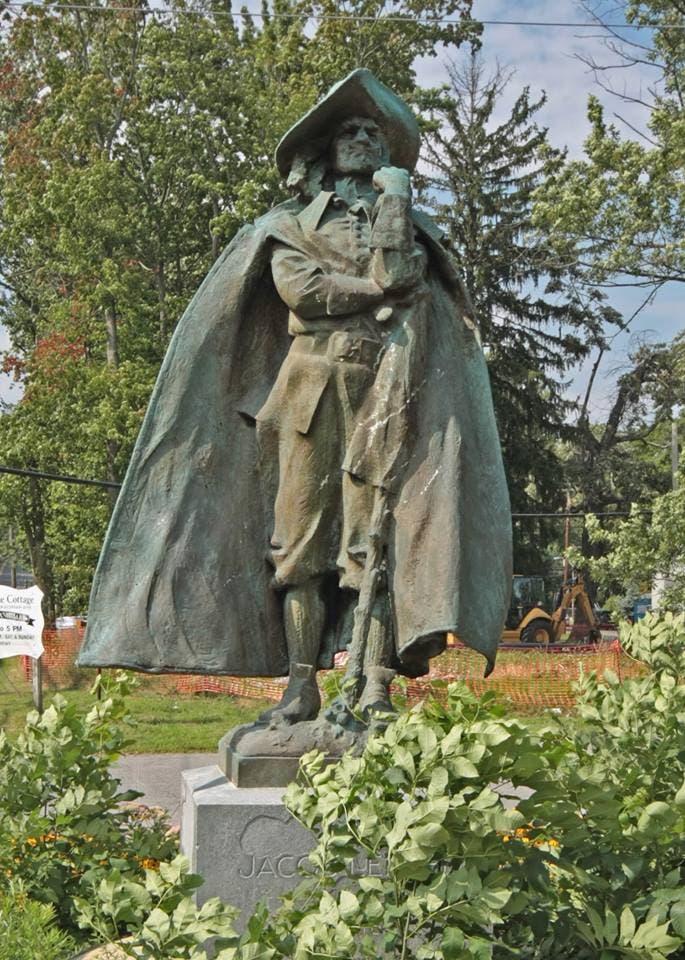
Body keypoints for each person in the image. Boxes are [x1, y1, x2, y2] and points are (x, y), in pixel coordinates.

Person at [78, 71, 512, 726]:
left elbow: (400, 272)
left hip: (389, 393)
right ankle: (301, 686)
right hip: (309, 396)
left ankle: (373, 687)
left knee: (378, 542)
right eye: (350, 130)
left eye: (374, 133)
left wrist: (396, 203)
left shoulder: (406, 226)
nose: (363, 137)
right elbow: (308, 294)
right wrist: (379, 294)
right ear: (325, 150)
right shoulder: (286, 227)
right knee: (298, 547)